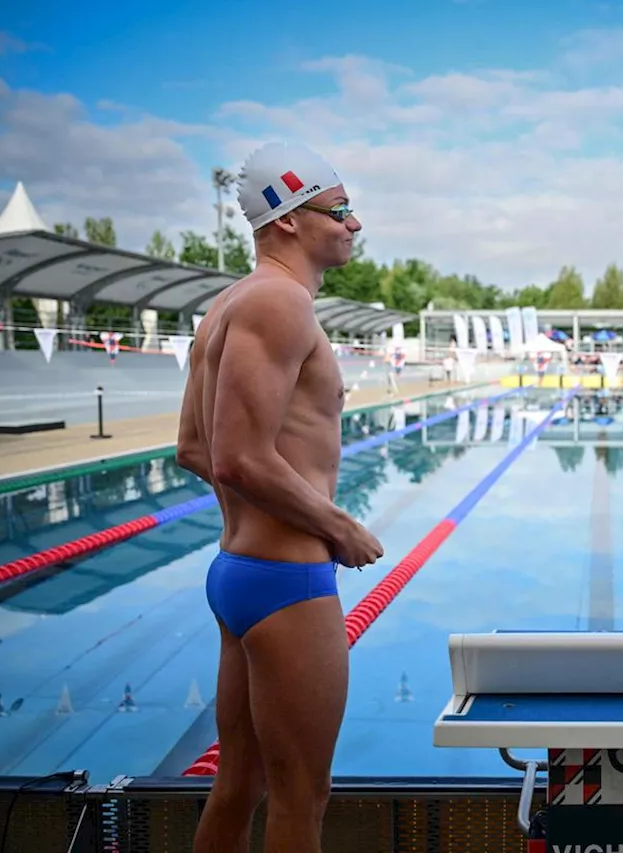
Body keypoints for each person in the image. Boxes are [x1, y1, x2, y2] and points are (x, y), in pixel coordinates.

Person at [175, 141, 384, 853]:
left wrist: (261, 517)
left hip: (238, 571)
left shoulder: (228, 304)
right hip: (288, 583)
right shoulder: (279, 304)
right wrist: (336, 526)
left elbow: (193, 449)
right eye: (341, 209)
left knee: (239, 784)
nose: (355, 224)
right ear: (289, 219)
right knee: (302, 799)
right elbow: (235, 456)